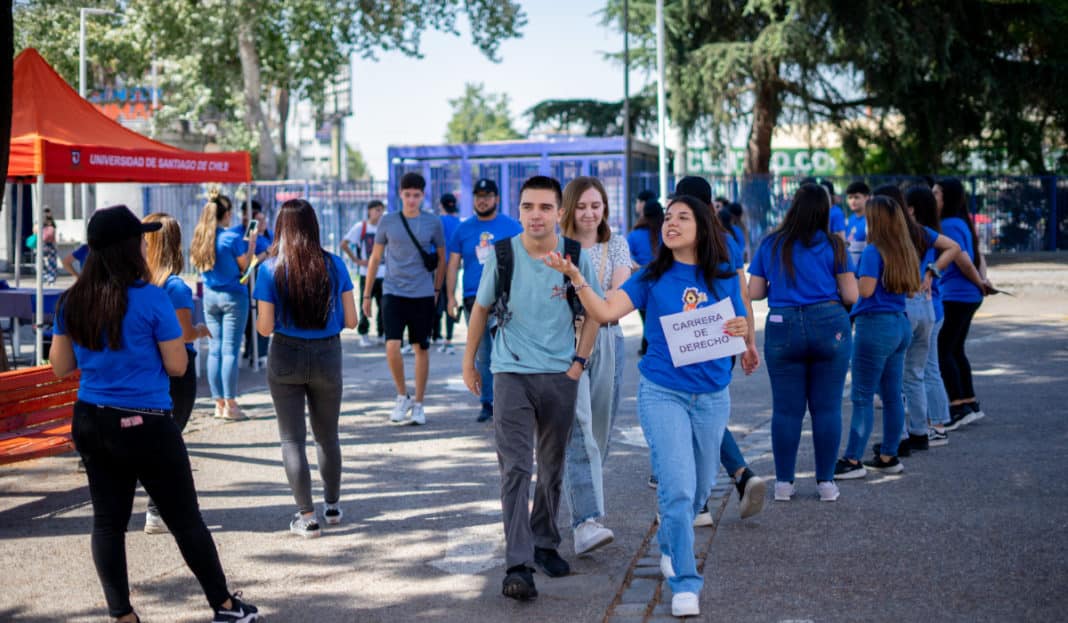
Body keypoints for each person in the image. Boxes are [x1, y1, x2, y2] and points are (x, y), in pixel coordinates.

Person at [50, 204, 259, 623]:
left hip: (93, 418)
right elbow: (178, 365)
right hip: (147, 421)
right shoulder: (151, 298)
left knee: (108, 523)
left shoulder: (72, 301)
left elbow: (60, 366)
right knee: (185, 519)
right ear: (129, 248)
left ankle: (122, 615)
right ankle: (223, 604)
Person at [545, 194, 749, 618]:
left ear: (702, 226)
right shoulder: (652, 277)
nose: (670, 223)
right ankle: (686, 582)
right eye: (668, 217)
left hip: (712, 394)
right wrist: (577, 278)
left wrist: (743, 330)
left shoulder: (726, 275)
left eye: (682, 217)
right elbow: (602, 312)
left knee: (697, 490)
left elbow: (740, 323)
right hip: (663, 393)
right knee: (676, 487)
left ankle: (671, 544)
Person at [463, 175, 601, 601]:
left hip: (560, 375)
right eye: (528, 207)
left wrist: (579, 363)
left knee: (552, 465)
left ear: (559, 213)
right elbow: (481, 309)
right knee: (516, 467)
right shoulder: (503, 254)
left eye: (545, 207)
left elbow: (594, 311)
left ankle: (545, 542)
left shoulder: (575, 256)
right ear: (519, 210)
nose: (535, 215)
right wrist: (470, 363)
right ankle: (518, 563)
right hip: (510, 374)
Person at [748, 183, 857, 502]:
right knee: (826, 408)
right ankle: (826, 483)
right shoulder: (835, 245)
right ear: (825, 211)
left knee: (786, 410)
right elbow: (851, 295)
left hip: (783, 326)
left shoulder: (771, 243)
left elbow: (754, 291)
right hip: (829, 324)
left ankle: (783, 484)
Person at [255, 199, 357, 538]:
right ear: (313, 226)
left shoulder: (269, 269)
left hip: (285, 354)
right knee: (328, 436)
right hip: (328, 354)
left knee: (292, 439)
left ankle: (307, 516)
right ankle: (333, 506)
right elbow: (353, 320)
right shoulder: (335, 264)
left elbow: (266, 328)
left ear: (281, 228)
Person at [673, 176, 766, 523]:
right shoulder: (725, 239)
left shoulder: (676, 235)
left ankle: (706, 498)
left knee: (689, 412)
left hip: (687, 335)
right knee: (706, 411)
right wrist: (748, 342)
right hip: (723, 336)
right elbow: (742, 294)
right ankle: (738, 476)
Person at [558, 176, 631, 556]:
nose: (589, 213)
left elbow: (617, 296)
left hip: (607, 337)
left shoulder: (615, 244)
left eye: (596, 206)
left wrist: (584, 292)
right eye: (582, 206)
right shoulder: (555, 247)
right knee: (579, 427)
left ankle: (569, 499)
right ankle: (586, 521)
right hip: (565, 342)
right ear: (569, 208)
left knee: (598, 434)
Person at [870, 185, 960, 458]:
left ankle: (898, 438)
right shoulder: (919, 230)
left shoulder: (890, 234)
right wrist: (933, 271)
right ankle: (921, 432)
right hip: (927, 307)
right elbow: (953, 248)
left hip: (903, 305)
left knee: (894, 377)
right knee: (917, 373)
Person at [835, 195, 921, 479]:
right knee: (893, 395)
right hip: (899, 323)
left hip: (875, 326)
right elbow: (910, 291)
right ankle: (889, 454)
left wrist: (850, 282)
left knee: (861, 395)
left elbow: (866, 291)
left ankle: (853, 459)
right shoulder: (905, 249)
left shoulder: (873, 251)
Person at [142, 212, 212, 534]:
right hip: (177, 372)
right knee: (170, 442)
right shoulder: (176, 288)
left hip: (149, 372)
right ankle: (158, 511)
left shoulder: (142, 284)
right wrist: (200, 329)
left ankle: (156, 509)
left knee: (157, 442)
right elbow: (183, 333)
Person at [363, 172, 445, 426]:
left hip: (422, 293)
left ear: (423, 196)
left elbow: (442, 258)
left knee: (421, 347)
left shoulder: (433, 222)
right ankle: (402, 396)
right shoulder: (388, 221)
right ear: (400, 194)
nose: (411, 200)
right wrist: (366, 295)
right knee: (391, 345)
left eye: (416, 195)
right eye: (407, 195)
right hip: (392, 291)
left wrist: (437, 291)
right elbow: (375, 259)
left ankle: (419, 403)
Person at [445, 178, 522, 422]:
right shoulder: (463, 229)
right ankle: (488, 403)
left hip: (506, 299)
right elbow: (453, 264)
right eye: (478, 195)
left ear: (496, 199)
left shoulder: (512, 226)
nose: (483, 200)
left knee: (509, 352)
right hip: (473, 300)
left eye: (488, 195)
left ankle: (509, 401)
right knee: (484, 355)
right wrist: (450, 297)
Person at [908, 185, 975, 445]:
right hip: (932, 306)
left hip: (929, 307)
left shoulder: (922, 233)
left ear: (912, 208)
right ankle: (934, 422)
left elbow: (956, 249)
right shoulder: (927, 232)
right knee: (926, 368)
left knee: (928, 368)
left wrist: (931, 271)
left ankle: (937, 424)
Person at [190, 189, 259, 421]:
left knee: (215, 350)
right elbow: (245, 268)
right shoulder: (231, 238)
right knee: (230, 350)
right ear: (226, 213)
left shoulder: (200, 237)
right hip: (233, 297)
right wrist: (252, 246)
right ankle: (231, 404)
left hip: (210, 296)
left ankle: (218, 403)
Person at [934, 178, 994, 430]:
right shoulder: (959, 222)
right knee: (955, 349)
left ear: (948, 198)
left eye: (936, 194)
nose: (933, 198)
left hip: (957, 295)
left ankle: (958, 406)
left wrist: (979, 281)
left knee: (943, 350)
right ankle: (969, 402)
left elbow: (965, 260)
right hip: (964, 294)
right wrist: (981, 281)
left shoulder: (949, 224)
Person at [342, 200, 387, 348]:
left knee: (384, 305)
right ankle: (364, 334)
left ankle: (382, 333)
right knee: (365, 303)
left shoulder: (384, 227)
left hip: (384, 273)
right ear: (369, 211)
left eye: (381, 210)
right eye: (376, 210)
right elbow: (344, 244)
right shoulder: (361, 227)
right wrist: (356, 259)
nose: (379, 213)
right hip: (366, 273)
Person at [232, 200, 271, 368]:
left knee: (262, 314)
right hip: (251, 278)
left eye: (263, 219)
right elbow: (249, 263)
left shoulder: (269, 235)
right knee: (252, 316)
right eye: (257, 219)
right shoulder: (248, 234)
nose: (261, 223)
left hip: (267, 278)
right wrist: (266, 254)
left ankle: (258, 352)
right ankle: (253, 352)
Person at [627, 200, 664, 356]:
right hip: (663, 282)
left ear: (643, 214)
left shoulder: (634, 235)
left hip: (642, 282)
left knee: (646, 319)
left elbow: (627, 258)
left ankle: (647, 345)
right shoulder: (666, 232)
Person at [433, 193, 462, 353]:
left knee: (436, 299)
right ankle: (448, 338)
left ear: (441, 205)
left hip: (438, 267)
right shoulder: (459, 223)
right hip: (454, 266)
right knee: (451, 299)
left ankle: (435, 335)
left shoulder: (437, 222)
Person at [844, 181, 870, 266]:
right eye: (850, 197)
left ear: (867, 197)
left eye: (856, 197)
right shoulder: (850, 220)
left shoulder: (870, 220)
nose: (852, 201)